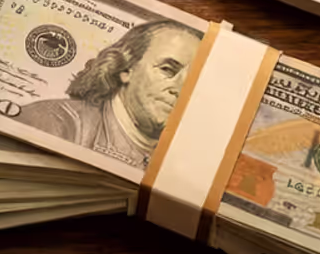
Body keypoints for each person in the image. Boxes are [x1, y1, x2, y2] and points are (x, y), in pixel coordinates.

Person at [21, 20, 202, 171]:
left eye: (194, 80)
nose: (181, 89)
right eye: (167, 69)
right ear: (126, 68)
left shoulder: (190, 162)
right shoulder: (52, 122)